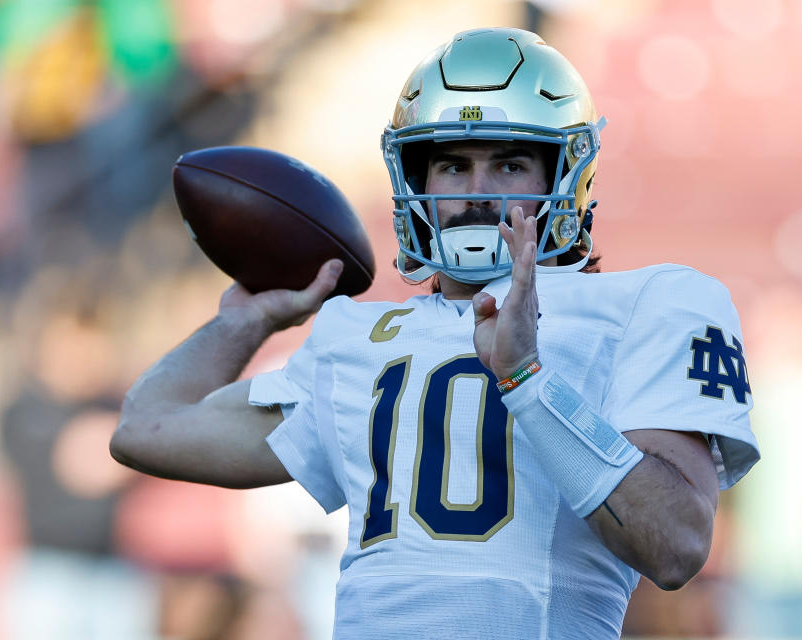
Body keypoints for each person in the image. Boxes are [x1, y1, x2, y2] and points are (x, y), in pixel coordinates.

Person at [111, 27, 759, 638]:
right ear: (415, 180)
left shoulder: (648, 303)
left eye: (509, 165)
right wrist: (244, 323)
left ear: (567, 175)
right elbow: (146, 429)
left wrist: (528, 382)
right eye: (451, 165)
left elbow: (676, 548)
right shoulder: (356, 338)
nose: (476, 194)